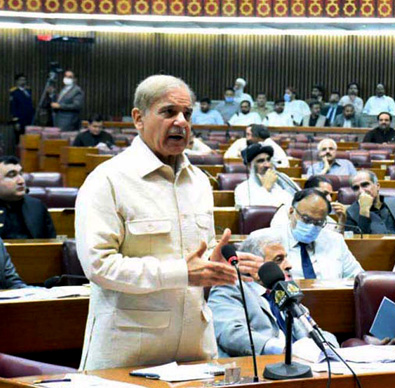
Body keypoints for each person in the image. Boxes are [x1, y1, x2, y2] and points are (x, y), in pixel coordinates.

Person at [75, 75, 262, 371]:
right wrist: (180, 272)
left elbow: (194, 255)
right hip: (128, 355)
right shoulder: (107, 180)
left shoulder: (199, 182)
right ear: (139, 118)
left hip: (195, 349)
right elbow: (99, 266)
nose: (181, 122)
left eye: (187, 114)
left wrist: (218, 264)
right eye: (168, 112)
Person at [208, 233, 339, 357]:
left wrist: (328, 347)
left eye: (286, 258)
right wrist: (283, 349)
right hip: (261, 368)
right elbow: (232, 335)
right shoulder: (230, 288)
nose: (289, 265)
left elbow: (313, 329)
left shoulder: (284, 291)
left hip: (303, 363)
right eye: (279, 260)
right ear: (252, 264)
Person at [249, 188, 364, 280]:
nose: (312, 227)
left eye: (319, 222)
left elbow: (357, 279)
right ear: (291, 212)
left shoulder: (335, 241)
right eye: (306, 219)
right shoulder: (263, 240)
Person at [0, 156, 56, 239]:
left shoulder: (37, 206)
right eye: (11, 175)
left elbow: (51, 244)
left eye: (20, 174)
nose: (21, 181)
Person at [346, 170, 395, 234]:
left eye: (365, 185)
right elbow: (357, 244)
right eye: (356, 188)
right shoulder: (351, 212)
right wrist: (364, 211)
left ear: (377, 186)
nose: (361, 191)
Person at [270, 175, 347, 234]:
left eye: (331, 195)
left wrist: (341, 222)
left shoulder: (324, 217)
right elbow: (277, 234)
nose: (330, 199)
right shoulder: (288, 209)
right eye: (325, 194)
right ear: (309, 191)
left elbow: (334, 243)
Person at [234, 143, 298, 208]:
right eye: (260, 161)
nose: (267, 165)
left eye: (268, 159)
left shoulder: (281, 181)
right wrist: (266, 188)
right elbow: (254, 214)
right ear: (249, 166)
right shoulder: (242, 189)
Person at [224, 124, 289, 167]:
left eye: (250, 135)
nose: (248, 138)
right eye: (247, 134)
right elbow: (227, 157)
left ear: (256, 136)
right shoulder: (242, 142)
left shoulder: (267, 146)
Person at [9, 73, 34, 137]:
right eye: (21, 80)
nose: (23, 81)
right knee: (19, 138)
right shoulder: (14, 92)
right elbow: (13, 107)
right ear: (17, 81)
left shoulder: (28, 91)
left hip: (29, 119)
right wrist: (16, 121)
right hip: (20, 119)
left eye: (24, 80)